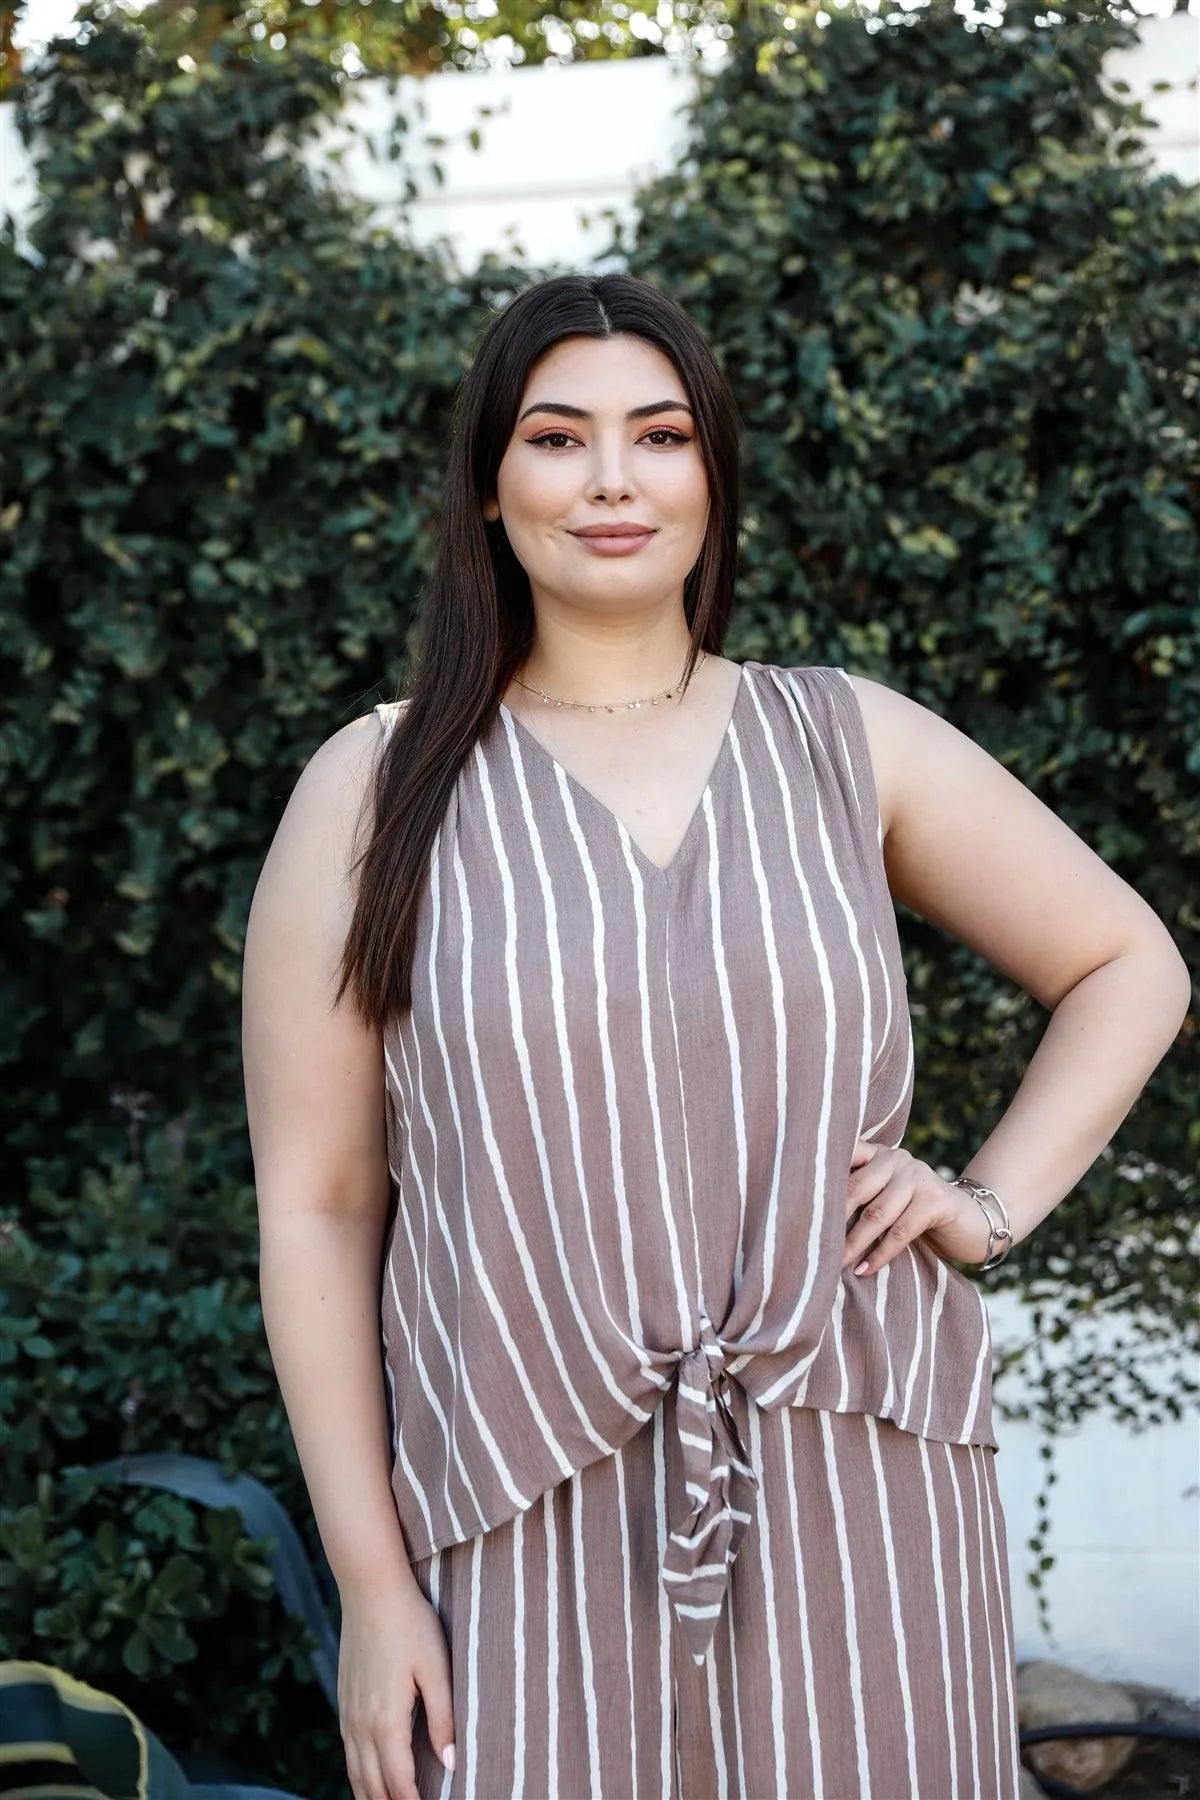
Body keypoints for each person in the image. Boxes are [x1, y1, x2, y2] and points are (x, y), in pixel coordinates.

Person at [241, 272, 1191, 1800]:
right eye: (558, 437)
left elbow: (1127, 962)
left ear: (711, 475)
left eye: (661, 434)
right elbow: (320, 1204)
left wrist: (987, 1202)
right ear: (488, 484)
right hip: (518, 1500)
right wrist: (371, 1583)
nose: (613, 479)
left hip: (862, 1473)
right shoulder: (374, 787)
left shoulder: (845, 741)